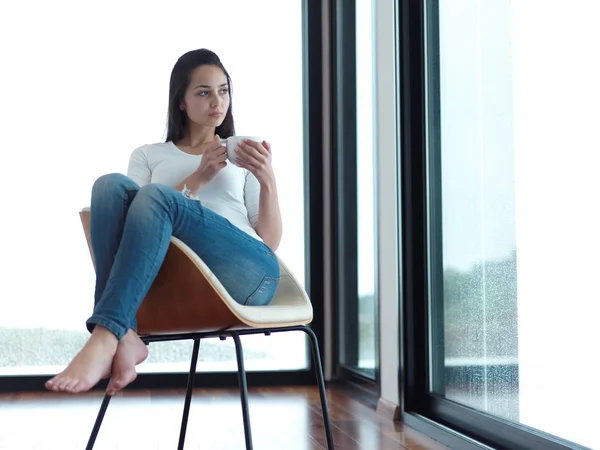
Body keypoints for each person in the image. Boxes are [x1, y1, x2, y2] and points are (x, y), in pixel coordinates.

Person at [45, 48, 282, 396]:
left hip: (249, 274)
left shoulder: (241, 152)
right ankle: (122, 333)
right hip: (176, 282)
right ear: (181, 102)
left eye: (223, 90)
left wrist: (267, 180)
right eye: (203, 92)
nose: (217, 101)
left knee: (155, 195)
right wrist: (198, 178)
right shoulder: (148, 155)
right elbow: (132, 234)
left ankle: (107, 335)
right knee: (108, 185)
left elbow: (270, 241)